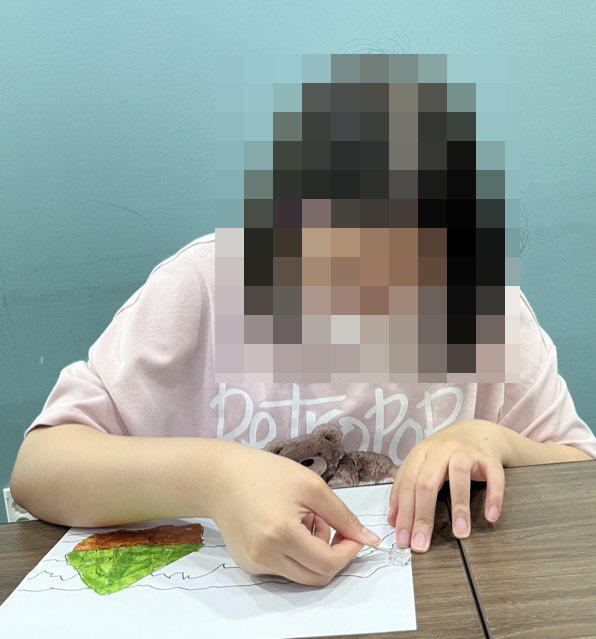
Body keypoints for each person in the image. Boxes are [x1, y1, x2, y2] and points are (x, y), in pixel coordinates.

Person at [10, 232, 595, 587]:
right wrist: (215, 477)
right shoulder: (204, 290)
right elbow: (39, 469)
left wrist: (491, 440)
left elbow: (578, 467)